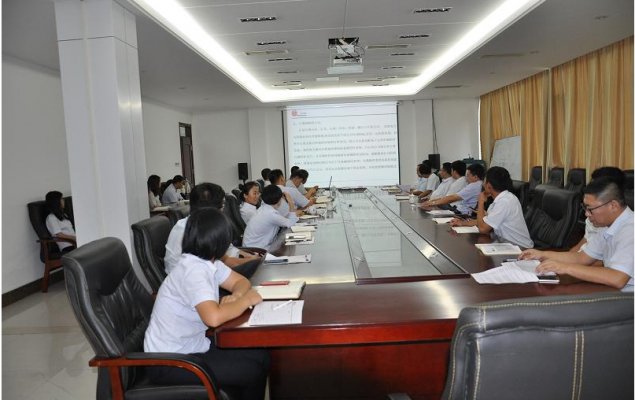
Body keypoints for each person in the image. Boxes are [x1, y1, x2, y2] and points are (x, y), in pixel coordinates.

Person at [144, 208, 270, 399]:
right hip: (168, 361)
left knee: (261, 354)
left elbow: (241, 282)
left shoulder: (207, 262)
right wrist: (246, 300)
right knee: (251, 370)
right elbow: (213, 318)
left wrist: (237, 295)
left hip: (192, 346)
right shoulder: (193, 270)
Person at [519, 177, 633, 290]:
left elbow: (617, 278)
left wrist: (565, 267)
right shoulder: (606, 225)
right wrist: (541, 254)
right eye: (585, 208)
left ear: (613, 206)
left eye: (590, 209)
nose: (587, 214)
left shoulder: (630, 229)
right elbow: (582, 258)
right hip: (613, 291)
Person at [164, 182, 261, 275]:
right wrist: (252, 260)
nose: (223, 211)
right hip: (188, 282)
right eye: (222, 206)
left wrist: (249, 257)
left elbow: (227, 253)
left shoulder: (204, 224)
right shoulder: (192, 231)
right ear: (211, 209)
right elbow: (225, 261)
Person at [450, 166, 533, 248]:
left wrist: (481, 202)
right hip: (506, 244)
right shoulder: (499, 199)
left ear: (489, 185)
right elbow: (484, 222)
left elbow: (482, 229)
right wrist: (462, 223)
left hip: (520, 248)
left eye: (484, 181)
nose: (482, 184)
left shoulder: (505, 201)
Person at [569, 167, 625, 253]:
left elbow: (599, 259)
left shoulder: (623, 228)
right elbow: (583, 245)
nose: (586, 214)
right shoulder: (593, 215)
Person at [242, 185, 299, 250]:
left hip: (254, 247)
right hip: (255, 250)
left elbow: (283, 220)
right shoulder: (270, 214)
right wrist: (290, 202)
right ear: (280, 199)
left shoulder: (264, 208)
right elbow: (291, 223)